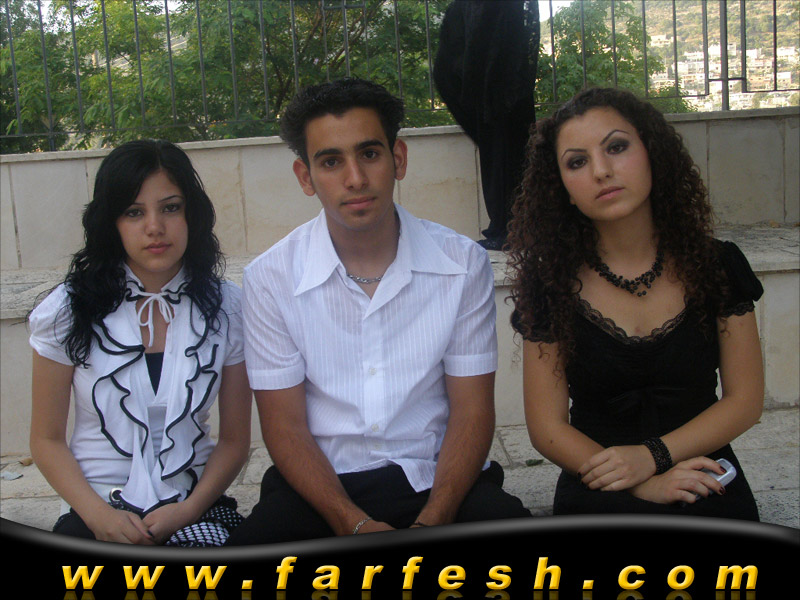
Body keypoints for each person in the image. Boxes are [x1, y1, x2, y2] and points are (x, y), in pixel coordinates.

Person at [225, 78, 530, 545]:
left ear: (398, 159)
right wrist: (355, 525)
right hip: (322, 487)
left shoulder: (462, 264)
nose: (355, 179)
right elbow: (284, 427)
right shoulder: (270, 278)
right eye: (331, 161)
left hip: (437, 478)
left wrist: (432, 522)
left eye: (369, 154)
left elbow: (472, 412)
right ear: (305, 177)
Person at [507, 87, 764, 520]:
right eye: (577, 162)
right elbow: (547, 429)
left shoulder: (716, 265)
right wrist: (642, 482)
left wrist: (652, 457)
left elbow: (745, 401)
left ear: (652, 153)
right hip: (598, 477)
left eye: (616, 147)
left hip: (701, 470)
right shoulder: (549, 284)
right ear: (563, 188)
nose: (602, 171)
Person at [28, 139, 252, 545]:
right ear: (110, 222)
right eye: (134, 212)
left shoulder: (228, 307)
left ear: (192, 213)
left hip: (194, 502)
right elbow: (46, 440)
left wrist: (187, 511)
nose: (154, 227)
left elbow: (235, 441)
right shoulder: (66, 311)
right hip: (95, 507)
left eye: (171, 207)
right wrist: (99, 516)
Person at [433, 0, 539, 250]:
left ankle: (511, 229)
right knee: (507, 158)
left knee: (509, 158)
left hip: (501, 92)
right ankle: (511, 227)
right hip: (499, 92)